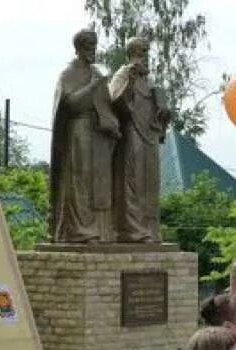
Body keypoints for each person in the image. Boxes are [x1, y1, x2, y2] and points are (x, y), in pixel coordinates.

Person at [50, 29, 120, 243]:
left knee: (95, 183)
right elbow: (70, 104)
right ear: (79, 47)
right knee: (78, 181)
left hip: (97, 133)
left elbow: (105, 103)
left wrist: (112, 124)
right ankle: (80, 230)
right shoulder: (68, 74)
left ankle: (100, 229)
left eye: (95, 45)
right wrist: (92, 86)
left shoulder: (97, 73)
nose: (93, 50)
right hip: (77, 131)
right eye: (89, 46)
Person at [109, 36, 171, 243]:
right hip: (131, 133)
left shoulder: (150, 82)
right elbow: (114, 99)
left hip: (150, 135)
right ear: (131, 54)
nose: (144, 57)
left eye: (146, 53)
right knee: (132, 181)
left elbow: (158, 113)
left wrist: (163, 112)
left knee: (150, 184)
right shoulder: (124, 73)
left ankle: (151, 230)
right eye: (140, 52)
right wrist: (130, 80)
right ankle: (132, 231)